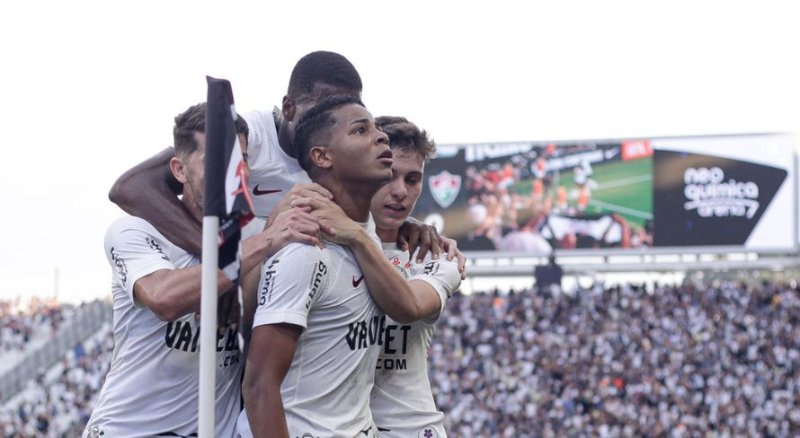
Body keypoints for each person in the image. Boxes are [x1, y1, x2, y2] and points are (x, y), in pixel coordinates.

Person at [109, 51, 453, 263]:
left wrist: (405, 226)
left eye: (347, 109)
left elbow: (365, 205)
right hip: (227, 290)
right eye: (323, 107)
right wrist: (219, 262)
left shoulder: (337, 157)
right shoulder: (252, 136)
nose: (334, 117)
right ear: (288, 107)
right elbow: (133, 187)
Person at [85, 103, 267, 437]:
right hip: (130, 430)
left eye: (241, 160)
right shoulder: (134, 231)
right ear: (180, 170)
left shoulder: (253, 234)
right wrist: (245, 257)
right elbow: (163, 298)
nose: (234, 172)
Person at [241, 95, 403, 437]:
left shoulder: (364, 238)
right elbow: (258, 387)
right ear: (322, 156)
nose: (381, 137)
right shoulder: (305, 249)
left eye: (377, 129)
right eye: (361, 130)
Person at [367, 116, 462, 438]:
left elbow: (407, 306)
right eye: (389, 175)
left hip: (413, 429)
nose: (400, 192)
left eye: (412, 179)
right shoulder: (324, 242)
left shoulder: (437, 254)